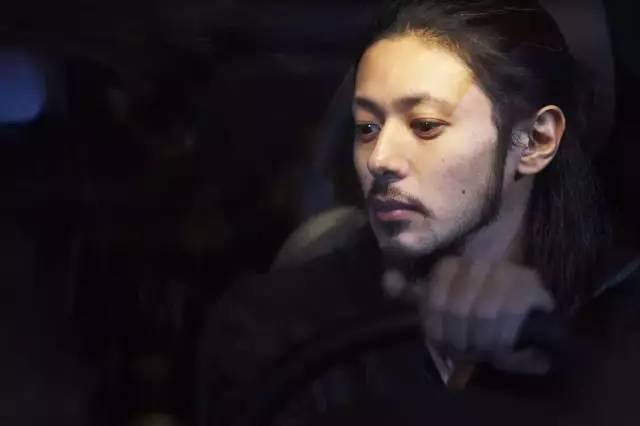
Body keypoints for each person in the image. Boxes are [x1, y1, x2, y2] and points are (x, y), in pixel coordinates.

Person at [198, 0, 639, 424]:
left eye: (426, 126)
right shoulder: (275, 327)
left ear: (536, 141)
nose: (380, 159)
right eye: (367, 128)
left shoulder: (614, 335)